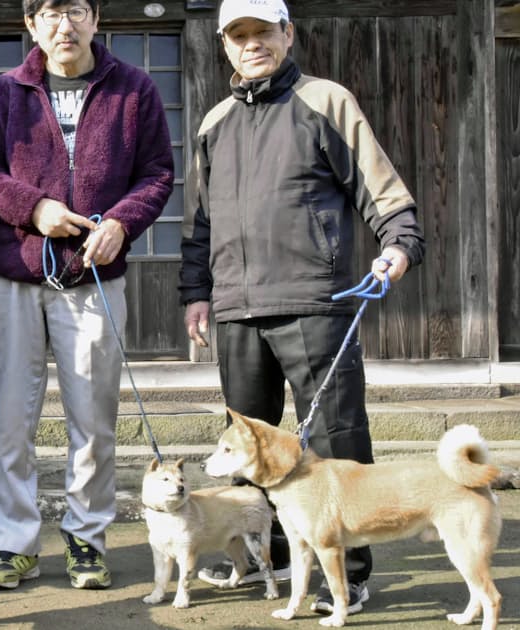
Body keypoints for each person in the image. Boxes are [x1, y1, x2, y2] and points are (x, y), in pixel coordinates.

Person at [179, 0, 425, 615]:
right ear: (224, 44)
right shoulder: (214, 122)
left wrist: (399, 242)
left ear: (288, 33)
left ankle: (352, 575)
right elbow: (200, 222)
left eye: (264, 31)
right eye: (239, 35)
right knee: (248, 446)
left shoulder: (325, 101)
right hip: (236, 308)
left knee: (338, 438)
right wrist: (196, 293)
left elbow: (379, 186)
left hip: (315, 300)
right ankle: (275, 560)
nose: (252, 44)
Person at [0, 0, 173, 591]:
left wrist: (122, 223)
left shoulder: (134, 89)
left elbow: (158, 173)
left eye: (76, 10)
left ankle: (86, 539)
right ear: (31, 24)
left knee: (94, 418)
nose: (65, 25)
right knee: (12, 419)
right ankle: (14, 544)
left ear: (96, 18)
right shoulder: (7, 91)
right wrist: (33, 209)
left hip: (94, 276)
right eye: (51, 12)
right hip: (15, 274)